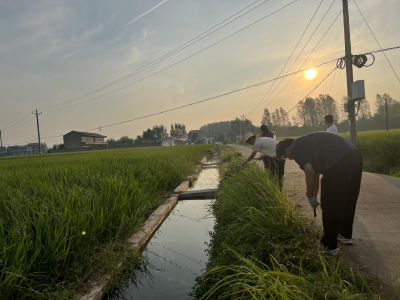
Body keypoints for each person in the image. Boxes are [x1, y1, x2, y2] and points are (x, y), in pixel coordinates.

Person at [275, 132, 363, 255]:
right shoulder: (305, 144)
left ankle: (329, 245)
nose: (290, 158)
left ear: (286, 149)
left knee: (329, 204)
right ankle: (344, 235)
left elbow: (309, 172)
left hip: (338, 161)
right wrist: (314, 196)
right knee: (347, 199)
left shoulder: (295, 148)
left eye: (286, 156)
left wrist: (309, 195)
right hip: (354, 156)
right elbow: (315, 174)